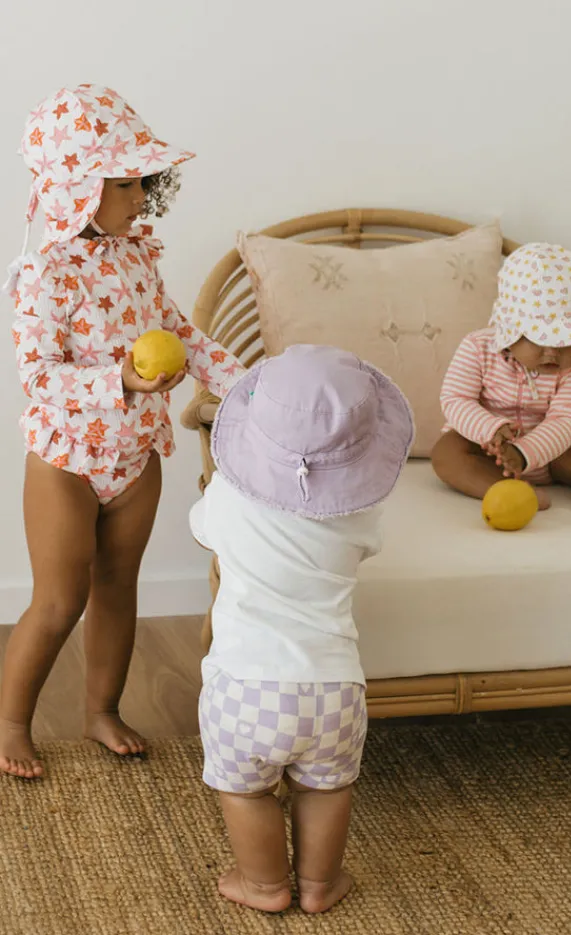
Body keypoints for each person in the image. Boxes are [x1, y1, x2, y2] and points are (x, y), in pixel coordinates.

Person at [0, 84, 244, 780]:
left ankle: (100, 709)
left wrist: (246, 385)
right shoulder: (44, 274)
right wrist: (123, 382)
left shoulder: (136, 255)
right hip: (67, 460)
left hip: (136, 456)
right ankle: (10, 720)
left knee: (117, 585)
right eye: (126, 183)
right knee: (59, 599)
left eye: (143, 181)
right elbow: (39, 376)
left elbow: (180, 333)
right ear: (77, 187)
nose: (142, 197)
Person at [189, 344, 413, 914]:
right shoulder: (360, 513)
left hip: (243, 687)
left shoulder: (225, 497)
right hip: (334, 690)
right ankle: (319, 884)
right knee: (325, 790)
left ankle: (264, 885)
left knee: (246, 794)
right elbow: (366, 547)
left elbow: (202, 531)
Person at [432, 243, 571, 524]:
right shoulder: (478, 348)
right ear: (510, 332)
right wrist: (490, 429)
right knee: (446, 453)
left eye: (565, 340)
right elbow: (455, 399)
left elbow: (566, 420)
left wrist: (525, 451)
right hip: (488, 450)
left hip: (554, 452)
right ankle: (515, 492)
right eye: (539, 338)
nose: (552, 352)